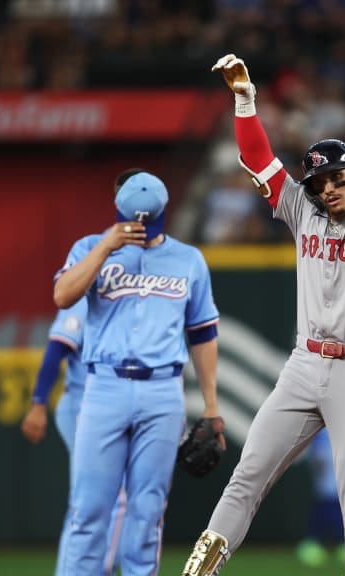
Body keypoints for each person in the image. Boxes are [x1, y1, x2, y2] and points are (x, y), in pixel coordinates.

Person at [182, 47, 345, 576]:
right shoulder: (302, 211)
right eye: (319, 183)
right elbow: (257, 159)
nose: (328, 189)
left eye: (337, 178)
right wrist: (245, 100)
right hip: (303, 365)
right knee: (246, 477)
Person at [54, 169, 223, 576]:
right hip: (104, 386)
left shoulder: (188, 259)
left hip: (162, 391)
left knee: (148, 511)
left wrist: (211, 406)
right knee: (89, 509)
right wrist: (105, 248)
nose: (141, 227)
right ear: (119, 211)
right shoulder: (89, 247)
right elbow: (63, 295)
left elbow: (203, 333)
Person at [19, 298, 125, 576]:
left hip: (108, 408)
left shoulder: (131, 293)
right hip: (81, 403)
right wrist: (39, 402)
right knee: (108, 497)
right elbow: (57, 347)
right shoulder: (85, 295)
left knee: (90, 500)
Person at [295, 429, 345, 568]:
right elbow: (318, 457)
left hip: (341, 479)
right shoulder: (320, 432)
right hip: (326, 483)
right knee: (327, 501)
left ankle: (343, 544)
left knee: (337, 508)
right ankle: (313, 543)